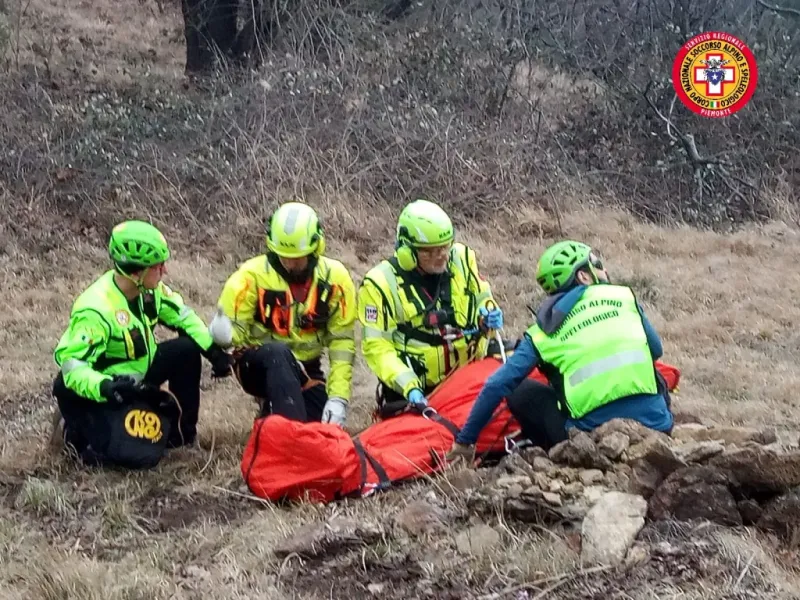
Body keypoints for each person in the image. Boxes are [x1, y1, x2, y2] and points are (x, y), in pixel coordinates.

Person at [447, 240, 674, 463]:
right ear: (583, 276)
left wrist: (465, 441)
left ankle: (553, 454)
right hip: (656, 427)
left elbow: (497, 385)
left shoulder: (542, 331)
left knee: (520, 391)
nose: (603, 269)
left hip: (587, 442)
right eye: (596, 264)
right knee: (655, 374)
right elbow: (655, 350)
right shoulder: (624, 297)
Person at [52, 220, 232, 469]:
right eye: (158, 267)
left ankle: (182, 439)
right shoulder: (95, 309)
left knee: (186, 351)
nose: (165, 272)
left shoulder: (150, 290)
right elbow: (72, 366)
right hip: (107, 390)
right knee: (137, 458)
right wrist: (105, 387)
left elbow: (183, 316)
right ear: (135, 272)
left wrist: (213, 352)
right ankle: (73, 431)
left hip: (139, 375)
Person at [209, 202, 356, 426]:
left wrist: (338, 398)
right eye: (283, 257)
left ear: (316, 248)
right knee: (278, 354)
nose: (289, 264)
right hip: (257, 365)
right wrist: (224, 335)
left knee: (320, 426)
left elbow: (341, 344)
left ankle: (276, 417)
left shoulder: (336, 280)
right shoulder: (250, 277)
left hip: (306, 370)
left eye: (297, 258)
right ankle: (288, 433)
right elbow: (235, 334)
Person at [358, 199, 504, 418]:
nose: (442, 256)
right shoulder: (379, 284)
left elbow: (482, 295)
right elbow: (377, 347)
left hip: (467, 376)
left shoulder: (463, 259)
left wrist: (488, 312)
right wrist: (409, 385)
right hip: (417, 389)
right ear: (407, 252)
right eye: (430, 252)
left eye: (445, 247)